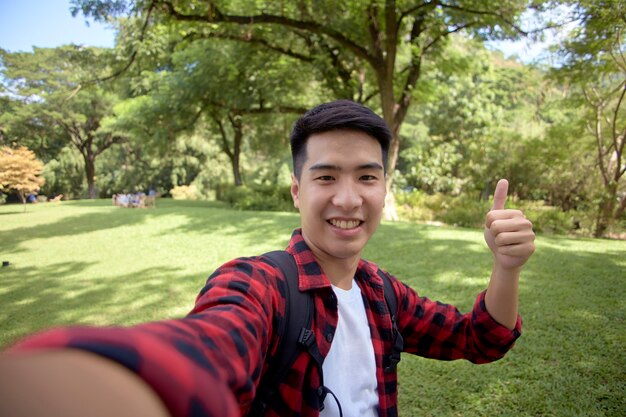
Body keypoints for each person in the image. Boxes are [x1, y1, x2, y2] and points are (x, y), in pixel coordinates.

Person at [0, 100, 535, 417]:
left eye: (366, 178)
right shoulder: (260, 285)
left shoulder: (382, 294)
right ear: (297, 191)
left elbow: (478, 339)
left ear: (383, 188)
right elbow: (212, 345)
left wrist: (505, 268)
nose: (348, 199)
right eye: (325, 177)